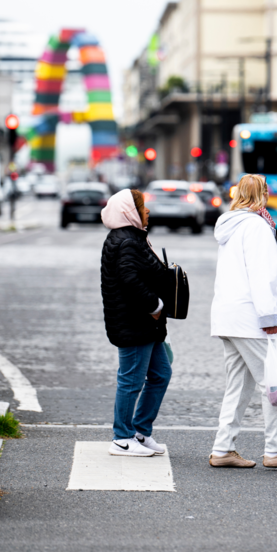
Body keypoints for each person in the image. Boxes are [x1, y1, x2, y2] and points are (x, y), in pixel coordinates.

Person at [208, 174, 277, 470]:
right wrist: (269, 317)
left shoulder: (231, 224)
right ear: (263, 194)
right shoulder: (257, 227)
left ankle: (223, 448)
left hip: (228, 316)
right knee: (273, 383)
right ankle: (276, 449)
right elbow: (261, 276)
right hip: (251, 317)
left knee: (238, 386)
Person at [100, 188, 172, 456]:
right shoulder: (127, 241)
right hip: (135, 322)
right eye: (143, 207)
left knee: (160, 375)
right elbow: (130, 280)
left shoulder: (132, 237)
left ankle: (140, 432)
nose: (148, 211)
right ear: (131, 212)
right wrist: (155, 306)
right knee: (131, 380)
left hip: (144, 324)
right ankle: (121, 438)